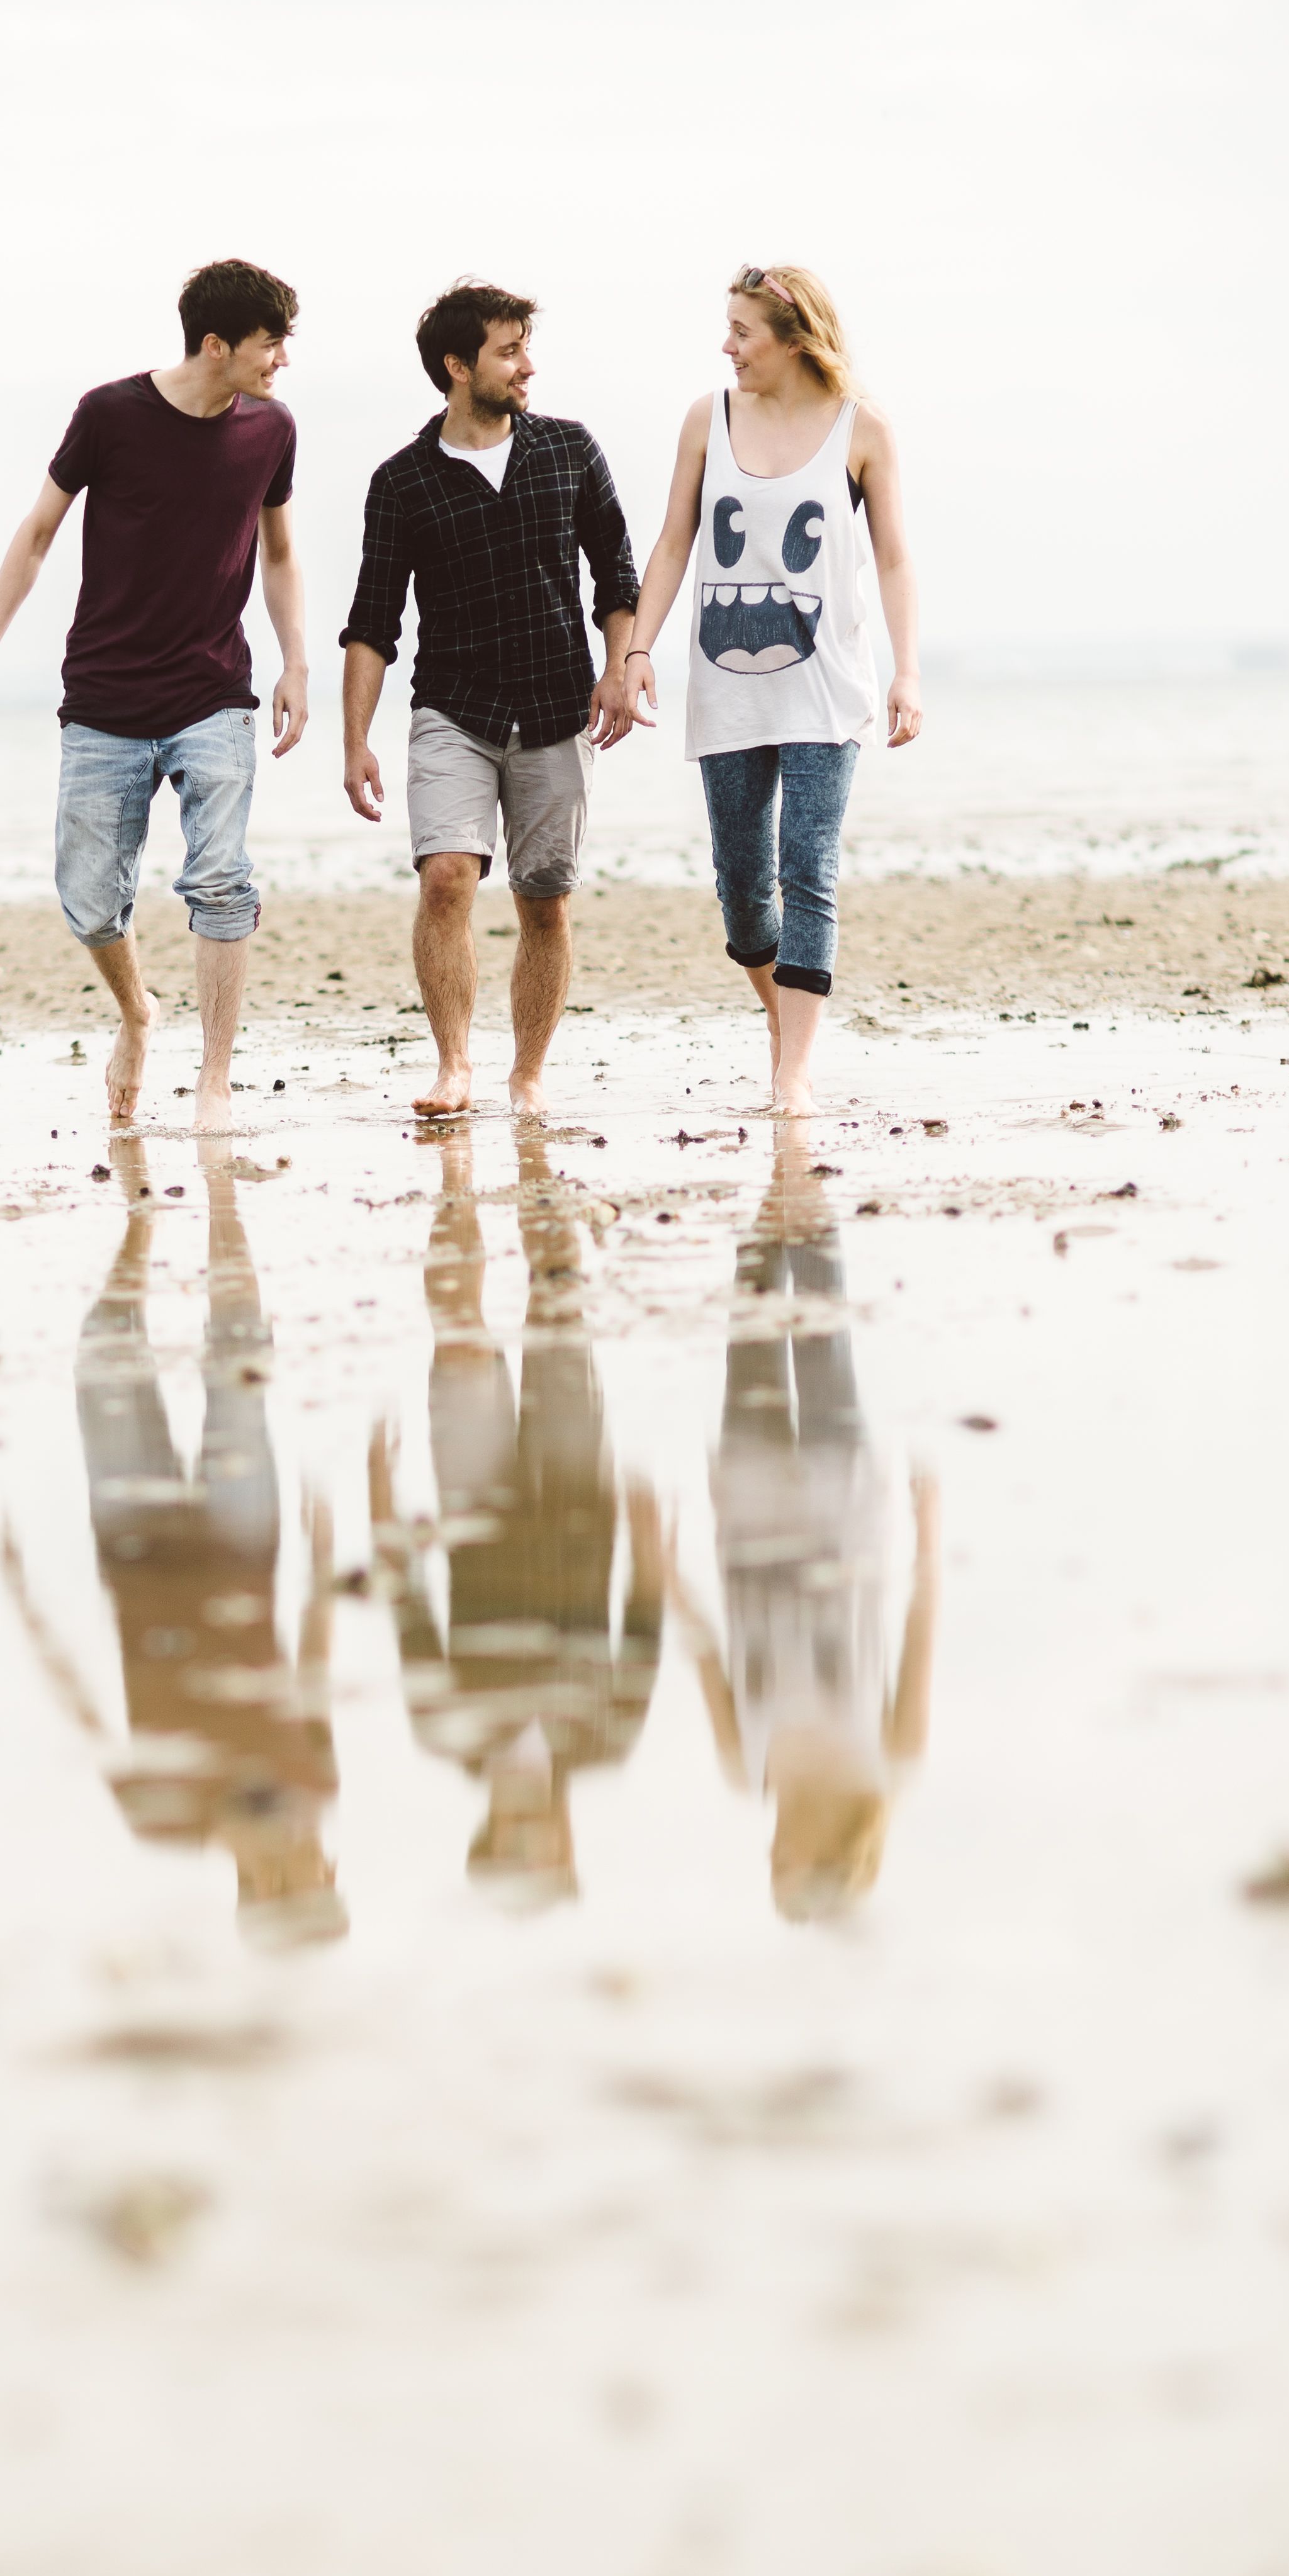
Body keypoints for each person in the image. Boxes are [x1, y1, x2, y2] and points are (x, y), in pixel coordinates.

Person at [0, 258, 309, 1133]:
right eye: (271, 344)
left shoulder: (272, 429)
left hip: (214, 691)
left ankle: (214, 1082)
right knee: (88, 900)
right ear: (216, 345)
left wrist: (295, 661)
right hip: (104, 695)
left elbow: (281, 552)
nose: (283, 361)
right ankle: (139, 1013)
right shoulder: (109, 415)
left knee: (220, 879)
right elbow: (36, 535)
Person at [0, 1131, 346, 1945]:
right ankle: (202, 1212)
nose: (307, 1859)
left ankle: (141, 1227)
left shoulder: (162, 1819)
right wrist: (324, 1566)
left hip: (132, 1544)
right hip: (244, 1538)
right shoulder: (314, 1783)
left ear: (255, 1890)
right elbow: (311, 1682)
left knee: (103, 1354)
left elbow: (83, 1710)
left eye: (293, 1879)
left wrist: (18, 1590)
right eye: (316, 1872)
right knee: (238, 1360)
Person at [619, 266, 922, 1116]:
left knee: (808, 868)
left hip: (829, 687)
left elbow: (894, 558)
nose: (728, 346)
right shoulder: (706, 420)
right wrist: (639, 647)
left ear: (794, 338)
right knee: (744, 888)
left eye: (743, 331)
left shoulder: (862, 430)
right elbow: (675, 540)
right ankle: (787, 1020)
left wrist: (906, 671)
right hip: (726, 688)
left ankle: (791, 1070)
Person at [341, 281, 639, 1119]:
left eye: (523, 349)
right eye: (508, 352)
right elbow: (371, 621)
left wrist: (620, 667)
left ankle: (528, 1075)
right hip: (453, 710)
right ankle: (454, 1069)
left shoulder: (570, 451)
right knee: (444, 879)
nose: (526, 366)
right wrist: (354, 740)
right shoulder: (401, 483)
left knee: (543, 899)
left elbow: (617, 576)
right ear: (456, 365)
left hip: (555, 710)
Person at [367, 1120, 662, 1903]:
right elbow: (646, 1615)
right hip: (578, 1501)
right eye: (541, 1853)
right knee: (557, 1309)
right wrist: (646, 1521)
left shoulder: (448, 1730)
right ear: (564, 1844)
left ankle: (459, 1180)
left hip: (473, 1496)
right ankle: (535, 1177)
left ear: (488, 1835)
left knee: (458, 1325)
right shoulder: (604, 1738)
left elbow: (406, 1605)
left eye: (514, 1848)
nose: (530, 1834)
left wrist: (380, 1496)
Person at [671, 1122, 938, 1919]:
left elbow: (709, 1655)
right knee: (823, 1323)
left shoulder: (745, 1769)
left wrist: (662, 1565)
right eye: (784, 1865)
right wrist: (928, 1530)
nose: (770, 1851)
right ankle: (799, 1160)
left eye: (771, 1866)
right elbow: (921, 1634)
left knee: (750, 1314)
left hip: (748, 1525)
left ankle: (773, 1172)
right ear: (821, 1853)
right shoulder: (889, 1765)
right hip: (843, 1514)